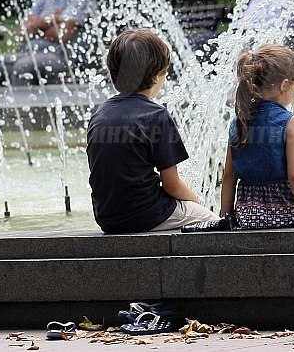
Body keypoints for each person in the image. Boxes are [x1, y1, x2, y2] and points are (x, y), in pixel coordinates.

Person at [87, 28, 219, 234]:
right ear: (156, 76)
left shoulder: (100, 114)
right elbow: (172, 185)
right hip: (147, 214)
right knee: (215, 224)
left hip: (107, 218)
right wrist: (198, 204)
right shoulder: (155, 115)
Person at [220, 44, 294, 229]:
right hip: (284, 210)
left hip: (247, 214)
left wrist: (227, 217)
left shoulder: (239, 120)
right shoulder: (291, 122)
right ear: (284, 85)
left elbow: (229, 175)